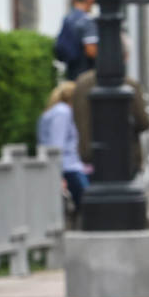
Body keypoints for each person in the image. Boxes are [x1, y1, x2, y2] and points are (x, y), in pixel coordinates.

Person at [70, 66, 149, 179]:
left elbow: (76, 116)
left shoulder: (81, 84)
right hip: (125, 157)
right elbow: (144, 123)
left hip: (89, 156)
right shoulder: (128, 83)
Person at [37, 81, 89, 216]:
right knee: (86, 204)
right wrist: (59, 175)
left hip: (65, 166)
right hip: (68, 167)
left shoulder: (55, 111)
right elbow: (57, 145)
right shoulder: (63, 112)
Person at [53, 0, 98, 81]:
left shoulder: (68, 18)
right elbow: (91, 50)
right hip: (86, 73)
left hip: (71, 70)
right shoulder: (87, 20)